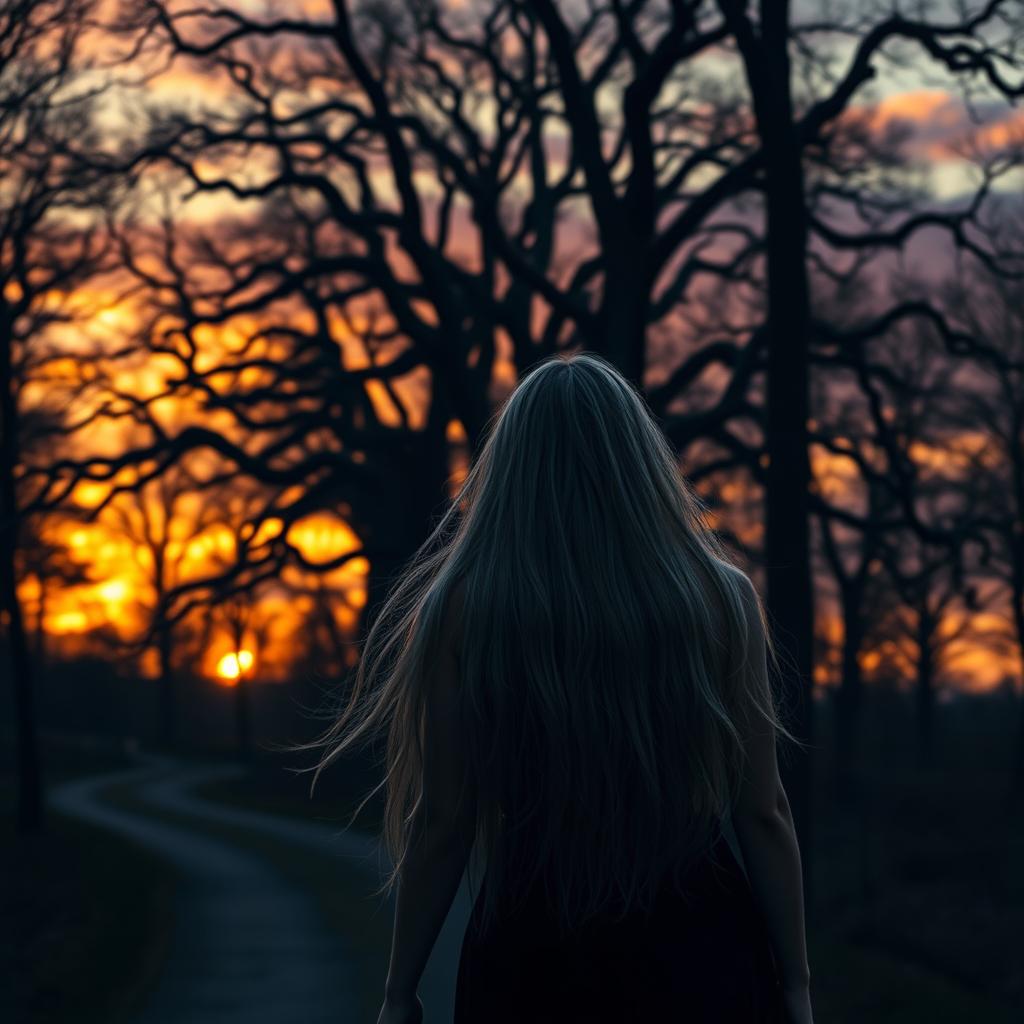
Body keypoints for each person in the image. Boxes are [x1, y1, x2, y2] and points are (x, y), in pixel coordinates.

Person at [303, 352, 813, 1023]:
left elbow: (444, 817)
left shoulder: (464, 607)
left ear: (512, 471)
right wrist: (798, 986)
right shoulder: (721, 599)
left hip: (530, 951)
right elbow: (764, 810)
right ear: (639, 464)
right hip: (699, 948)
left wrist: (401, 990)